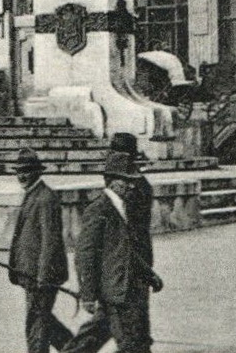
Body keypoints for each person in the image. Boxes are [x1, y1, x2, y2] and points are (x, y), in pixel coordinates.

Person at [67, 151, 163, 353]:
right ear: (112, 182)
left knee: (95, 337)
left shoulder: (122, 207)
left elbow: (125, 251)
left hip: (122, 289)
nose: (131, 186)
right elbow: (85, 255)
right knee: (132, 345)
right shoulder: (98, 209)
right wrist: (88, 295)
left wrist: (149, 275)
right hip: (115, 292)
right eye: (127, 181)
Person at [8, 148, 72, 353]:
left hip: (42, 277)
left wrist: (43, 278)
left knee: (36, 327)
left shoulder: (45, 198)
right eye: (19, 171)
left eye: (26, 171)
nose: (21, 176)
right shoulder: (33, 194)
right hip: (31, 275)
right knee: (43, 322)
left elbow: (49, 242)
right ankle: (77, 349)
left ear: (37, 172)